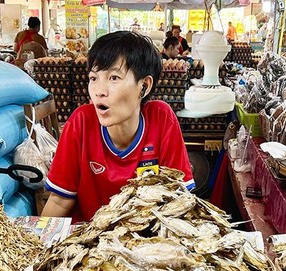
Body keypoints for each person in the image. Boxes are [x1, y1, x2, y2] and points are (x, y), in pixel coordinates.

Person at [42, 31, 194, 221]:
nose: (99, 91)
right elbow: (59, 200)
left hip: (144, 244)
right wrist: (37, 243)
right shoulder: (81, 122)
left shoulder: (161, 119)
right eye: (93, 78)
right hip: (89, 242)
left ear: (144, 86)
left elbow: (180, 200)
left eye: (114, 78)